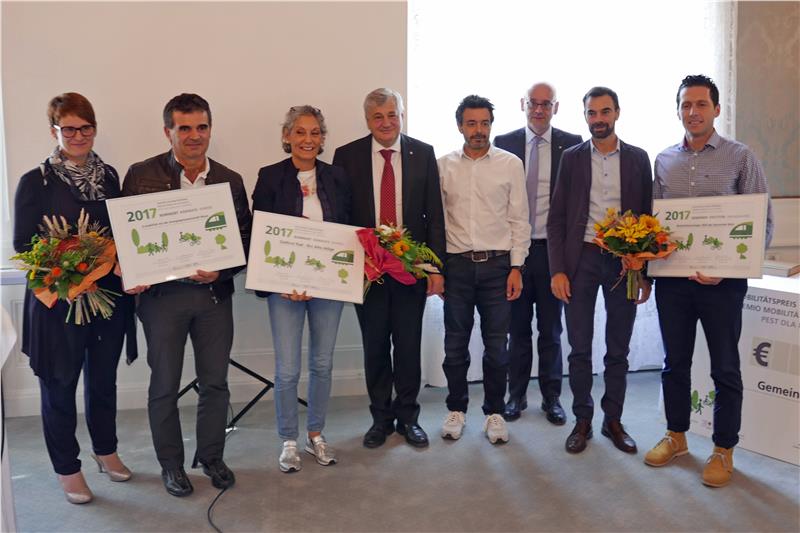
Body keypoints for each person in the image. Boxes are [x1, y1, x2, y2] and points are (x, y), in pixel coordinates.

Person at [645, 74, 774, 487]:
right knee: (674, 364)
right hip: (673, 282)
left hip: (723, 284)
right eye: (686, 104)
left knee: (725, 367)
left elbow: (762, 223)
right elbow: (654, 224)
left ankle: (723, 449)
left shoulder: (741, 157)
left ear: (716, 109)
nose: (693, 112)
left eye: (701, 104)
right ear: (678, 110)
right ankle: (677, 436)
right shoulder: (664, 159)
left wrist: (729, 268)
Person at [122, 93, 252, 496]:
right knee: (164, 385)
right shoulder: (140, 174)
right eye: (185, 128)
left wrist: (223, 270)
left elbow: (245, 238)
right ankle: (171, 465)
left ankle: (212, 457)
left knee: (215, 383)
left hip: (213, 297)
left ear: (210, 129)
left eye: (202, 127)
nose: (195, 136)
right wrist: (134, 271)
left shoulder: (230, 179)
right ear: (168, 132)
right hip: (162, 301)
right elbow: (125, 237)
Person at [13, 92, 136, 504]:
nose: (79, 136)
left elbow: (124, 234)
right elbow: (24, 245)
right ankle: (67, 468)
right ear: (54, 131)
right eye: (69, 129)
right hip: (59, 303)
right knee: (60, 385)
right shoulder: (35, 182)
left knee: (103, 381)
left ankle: (106, 450)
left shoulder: (111, 177)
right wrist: (70, 276)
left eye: (86, 128)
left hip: (107, 299)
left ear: (94, 129)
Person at [332, 88, 446, 448]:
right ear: (367, 120)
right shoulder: (346, 156)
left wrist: (435, 269)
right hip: (369, 273)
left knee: (409, 346)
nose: (386, 123)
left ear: (402, 115)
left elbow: (434, 215)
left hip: (411, 269)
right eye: (378, 117)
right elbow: (340, 216)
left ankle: (409, 418)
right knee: (376, 346)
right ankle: (380, 419)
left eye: (392, 114)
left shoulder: (423, 153)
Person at [547, 86, 653, 455]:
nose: (598, 119)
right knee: (579, 346)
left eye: (605, 112)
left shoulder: (638, 159)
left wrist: (645, 272)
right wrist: (558, 270)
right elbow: (556, 219)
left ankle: (613, 420)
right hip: (582, 260)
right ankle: (582, 420)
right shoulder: (571, 158)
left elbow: (649, 217)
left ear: (617, 113)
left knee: (618, 346)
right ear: (585, 116)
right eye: (591, 113)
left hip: (625, 262)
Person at [252, 106, 351, 472]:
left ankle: (316, 434)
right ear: (287, 136)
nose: (308, 139)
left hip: (328, 286)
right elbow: (260, 231)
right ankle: (288, 440)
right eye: (300, 132)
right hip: (285, 289)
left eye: (314, 133)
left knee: (322, 363)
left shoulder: (338, 177)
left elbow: (349, 228)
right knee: (288, 368)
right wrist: (278, 281)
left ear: (322, 138)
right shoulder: (270, 176)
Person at [437, 95, 530, 444]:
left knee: (497, 348)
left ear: (491, 125)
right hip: (457, 267)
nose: (479, 130)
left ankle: (494, 412)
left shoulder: (510, 164)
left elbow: (519, 219)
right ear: (460, 126)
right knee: (454, 346)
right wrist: (437, 269)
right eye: (472, 123)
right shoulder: (442, 166)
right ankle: (456, 409)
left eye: (485, 123)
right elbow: (435, 221)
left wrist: (517, 266)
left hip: (498, 267)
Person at [495, 82, 583, 425]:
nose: (539, 109)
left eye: (546, 104)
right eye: (533, 103)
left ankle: (551, 397)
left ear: (555, 108)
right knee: (517, 330)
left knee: (551, 331)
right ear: (523, 104)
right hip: (516, 253)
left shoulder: (572, 144)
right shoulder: (503, 143)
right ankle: (515, 395)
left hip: (552, 253)